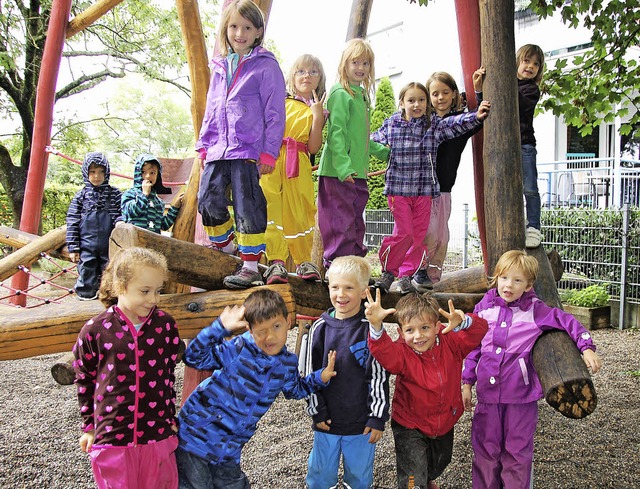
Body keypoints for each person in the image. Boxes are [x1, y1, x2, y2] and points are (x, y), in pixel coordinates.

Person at [462, 250, 602, 488]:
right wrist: (466, 383)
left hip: (520, 397)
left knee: (517, 452)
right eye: (505, 278)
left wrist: (586, 347)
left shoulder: (534, 311)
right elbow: (473, 347)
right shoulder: (483, 308)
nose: (509, 285)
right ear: (496, 277)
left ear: (528, 285)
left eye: (518, 280)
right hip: (487, 396)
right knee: (485, 450)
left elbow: (567, 321)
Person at [177, 289, 337, 489]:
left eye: (276, 326)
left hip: (229, 449)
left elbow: (294, 390)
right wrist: (219, 328)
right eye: (261, 331)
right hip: (196, 438)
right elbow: (193, 357)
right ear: (250, 330)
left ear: (288, 322)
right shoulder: (240, 348)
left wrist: (319, 378)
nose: (270, 337)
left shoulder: (287, 363)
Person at [72, 247, 182, 489]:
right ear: (121, 286)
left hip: (157, 433)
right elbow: (85, 380)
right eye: (145, 291)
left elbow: (167, 376)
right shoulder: (95, 330)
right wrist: (89, 427)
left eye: (158, 291)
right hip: (113, 435)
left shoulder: (165, 326)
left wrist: (170, 417)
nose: (153, 299)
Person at [196, 0, 286, 290]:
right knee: (207, 199)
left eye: (247, 27)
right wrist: (204, 143)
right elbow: (211, 108)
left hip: (247, 148)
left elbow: (275, 112)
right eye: (234, 26)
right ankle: (225, 246)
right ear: (226, 29)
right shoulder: (220, 67)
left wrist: (269, 151)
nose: (239, 33)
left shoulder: (265, 66)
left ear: (258, 32)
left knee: (248, 204)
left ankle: (250, 266)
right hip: (217, 147)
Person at [372, 81, 491, 295]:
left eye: (421, 100)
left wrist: (475, 115)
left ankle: (406, 276)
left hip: (424, 192)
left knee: (419, 236)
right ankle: (388, 271)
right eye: (411, 100)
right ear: (402, 103)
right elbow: (371, 141)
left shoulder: (433, 125)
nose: (416, 104)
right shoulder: (392, 124)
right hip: (398, 190)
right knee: (405, 233)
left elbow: (455, 124)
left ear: (427, 103)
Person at [365, 289, 488, 489]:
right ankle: (417, 483)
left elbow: (479, 331)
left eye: (424, 328)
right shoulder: (402, 353)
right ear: (400, 332)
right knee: (412, 475)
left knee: (440, 462)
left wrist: (464, 322)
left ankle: (426, 478)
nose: (418, 336)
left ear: (438, 327)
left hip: (444, 421)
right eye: (410, 330)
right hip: (410, 423)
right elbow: (385, 353)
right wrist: (376, 326)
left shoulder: (452, 343)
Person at [300, 255, 390, 489]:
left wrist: (377, 416)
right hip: (327, 421)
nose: (341, 294)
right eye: (335, 287)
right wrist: (317, 411)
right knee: (320, 476)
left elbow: (380, 375)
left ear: (363, 291)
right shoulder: (319, 328)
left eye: (349, 287)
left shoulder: (371, 330)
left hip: (362, 423)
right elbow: (308, 374)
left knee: (359, 478)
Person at [406, 69, 486, 290]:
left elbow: (477, 120)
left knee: (441, 236)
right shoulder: (424, 124)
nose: (440, 98)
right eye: (435, 94)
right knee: (427, 232)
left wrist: (478, 91)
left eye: (445, 92)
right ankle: (417, 269)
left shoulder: (457, 123)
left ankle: (430, 276)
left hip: (445, 189)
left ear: (454, 95)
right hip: (423, 189)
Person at [316, 38, 390, 272]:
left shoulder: (361, 95)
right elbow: (335, 134)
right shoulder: (341, 93)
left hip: (358, 172)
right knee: (341, 222)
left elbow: (360, 138)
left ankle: (355, 269)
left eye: (365, 63)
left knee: (357, 222)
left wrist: (385, 153)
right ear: (344, 65)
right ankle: (336, 269)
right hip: (339, 172)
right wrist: (343, 167)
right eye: (355, 62)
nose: (360, 68)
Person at [260, 54, 327, 285]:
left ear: (320, 78)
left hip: (299, 162)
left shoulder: (318, 109)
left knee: (301, 209)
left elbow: (313, 147)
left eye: (313, 72)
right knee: (272, 207)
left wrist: (318, 120)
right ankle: (276, 260)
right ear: (292, 76)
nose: (306, 75)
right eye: (301, 71)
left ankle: (303, 261)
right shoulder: (280, 100)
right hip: (273, 157)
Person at [66, 152, 122, 300]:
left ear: (107, 172)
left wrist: (120, 222)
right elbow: (72, 221)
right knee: (87, 269)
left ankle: (109, 297)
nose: (97, 176)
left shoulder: (114, 194)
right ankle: (85, 297)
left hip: (109, 244)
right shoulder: (81, 196)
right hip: (87, 244)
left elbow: (121, 214)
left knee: (109, 269)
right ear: (86, 173)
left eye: (100, 172)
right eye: (92, 172)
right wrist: (73, 247)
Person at [517, 44, 545, 248]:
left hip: (525, 144)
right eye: (526, 61)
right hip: (505, 146)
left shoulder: (531, 89)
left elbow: (520, 106)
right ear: (517, 61)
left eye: (536, 64)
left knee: (530, 187)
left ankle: (534, 226)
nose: (530, 66)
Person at [120, 154, 184, 233]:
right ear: (138, 173)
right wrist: (144, 195)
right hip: (133, 242)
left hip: (152, 243)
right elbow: (131, 213)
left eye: (152, 173)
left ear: (157, 176)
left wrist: (175, 208)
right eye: (143, 172)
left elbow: (164, 225)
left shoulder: (158, 202)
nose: (148, 176)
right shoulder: (129, 194)